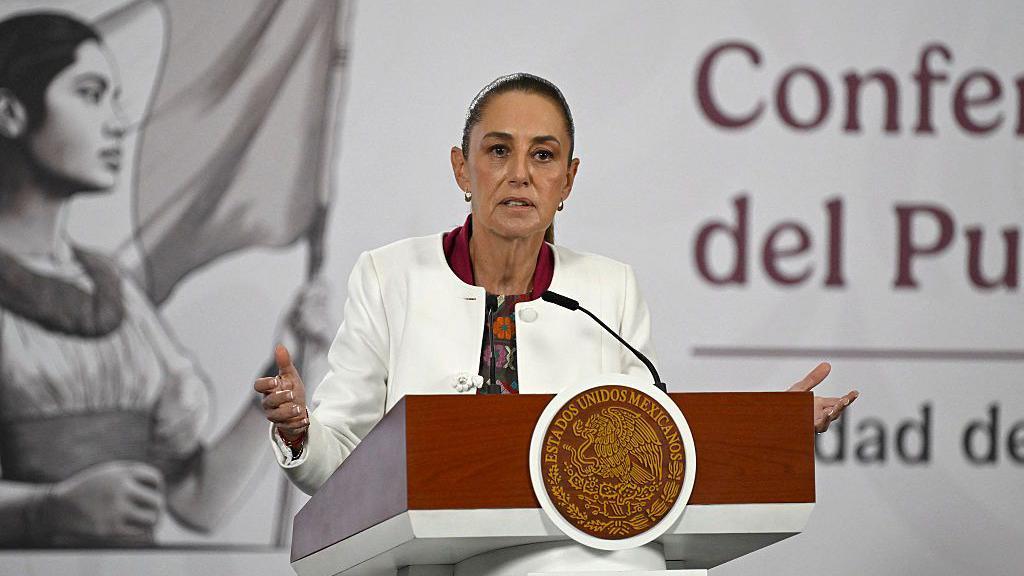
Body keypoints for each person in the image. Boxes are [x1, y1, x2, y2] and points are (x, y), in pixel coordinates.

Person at [256, 73, 859, 500]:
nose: (520, 174)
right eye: (498, 151)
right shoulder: (389, 277)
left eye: (544, 156)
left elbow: (653, 451)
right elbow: (336, 458)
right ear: (462, 167)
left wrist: (770, 427)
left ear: (568, 179)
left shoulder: (609, 291)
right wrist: (301, 432)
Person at [0, 12, 328, 547]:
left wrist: (289, 364)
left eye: (114, 98)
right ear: (11, 113)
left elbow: (198, 501)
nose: (116, 122)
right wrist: (46, 511)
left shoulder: (115, 293)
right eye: (89, 93)